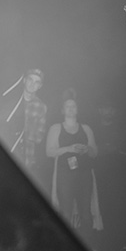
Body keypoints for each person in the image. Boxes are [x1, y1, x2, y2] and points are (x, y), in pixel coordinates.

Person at [46, 90, 102, 243]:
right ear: (62, 110)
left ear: (78, 110)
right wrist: (69, 148)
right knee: (66, 210)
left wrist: (87, 149)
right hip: (65, 173)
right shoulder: (56, 128)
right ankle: (66, 245)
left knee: (85, 210)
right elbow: (49, 152)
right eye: (68, 106)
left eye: (74, 106)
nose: (71, 109)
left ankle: (87, 245)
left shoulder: (86, 128)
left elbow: (94, 151)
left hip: (84, 172)